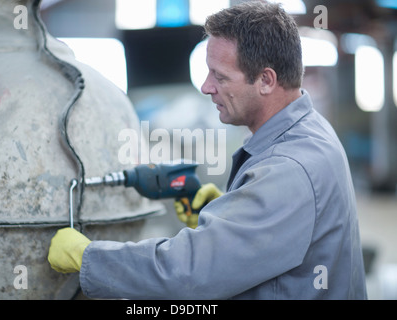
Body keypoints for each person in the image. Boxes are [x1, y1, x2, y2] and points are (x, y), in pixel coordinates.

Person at [48, 1, 367, 299]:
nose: (205, 86)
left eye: (220, 76)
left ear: (266, 80)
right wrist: (235, 213)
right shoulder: (310, 128)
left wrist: (87, 256)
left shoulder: (288, 168)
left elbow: (187, 272)